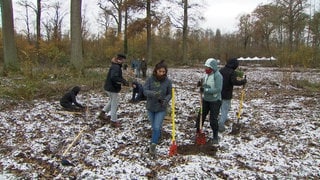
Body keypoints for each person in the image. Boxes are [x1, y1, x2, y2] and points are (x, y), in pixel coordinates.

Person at [143, 60, 172, 157]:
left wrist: (166, 100)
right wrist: (153, 94)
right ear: (156, 71)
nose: (162, 73)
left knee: (156, 127)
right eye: (160, 71)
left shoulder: (167, 81)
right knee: (155, 127)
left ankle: (153, 146)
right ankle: (158, 136)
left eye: (164, 72)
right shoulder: (150, 79)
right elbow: (144, 91)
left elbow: (170, 94)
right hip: (151, 106)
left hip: (161, 107)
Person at [98, 54, 129, 127]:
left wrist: (123, 81)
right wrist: (123, 82)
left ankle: (102, 113)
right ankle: (113, 121)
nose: (123, 62)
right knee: (114, 104)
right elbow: (114, 77)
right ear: (119, 60)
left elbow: (116, 77)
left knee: (111, 101)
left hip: (109, 87)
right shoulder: (116, 67)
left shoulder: (115, 66)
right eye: (123, 60)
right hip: (112, 88)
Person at [196, 58, 223, 144]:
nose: (206, 69)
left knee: (213, 120)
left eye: (208, 67)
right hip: (206, 100)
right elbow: (205, 83)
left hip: (215, 101)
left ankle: (215, 136)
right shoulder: (207, 75)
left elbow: (218, 89)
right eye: (205, 67)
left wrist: (205, 90)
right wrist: (201, 84)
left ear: (213, 67)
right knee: (200, 116)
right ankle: (198, 133)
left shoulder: (218, 76)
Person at [219, 58, 247, 132]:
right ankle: (220, 125)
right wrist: (243, 81)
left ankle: (221, 119)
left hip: (218, 93)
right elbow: (234, 82)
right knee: (225, 109)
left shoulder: (221, 70)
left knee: (221, 108)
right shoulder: (232, 72)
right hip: (227, 94)